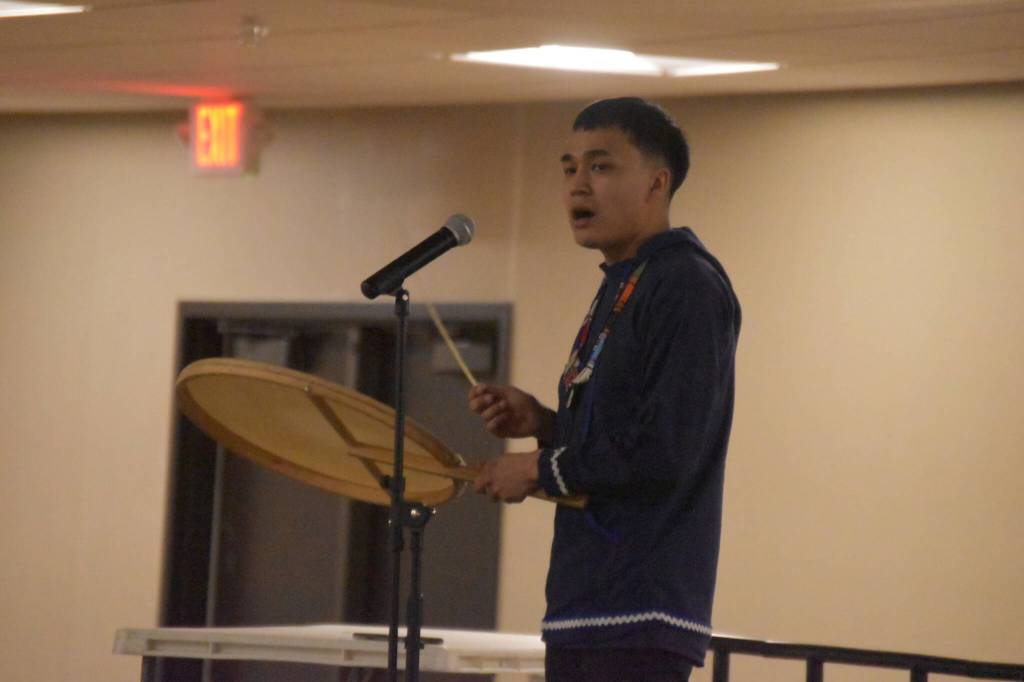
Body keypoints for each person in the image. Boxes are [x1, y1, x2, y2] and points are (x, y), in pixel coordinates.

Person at [468, 97, 741, 681]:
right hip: (585, 601)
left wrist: (538, 469)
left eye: (601, 166)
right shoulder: (625, 282)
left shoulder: (685, 285)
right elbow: (621, 434)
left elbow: (665, 449)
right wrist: (543, 422)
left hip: (642, 606)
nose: (577, 186)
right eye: (569, 168)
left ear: (657, 182)